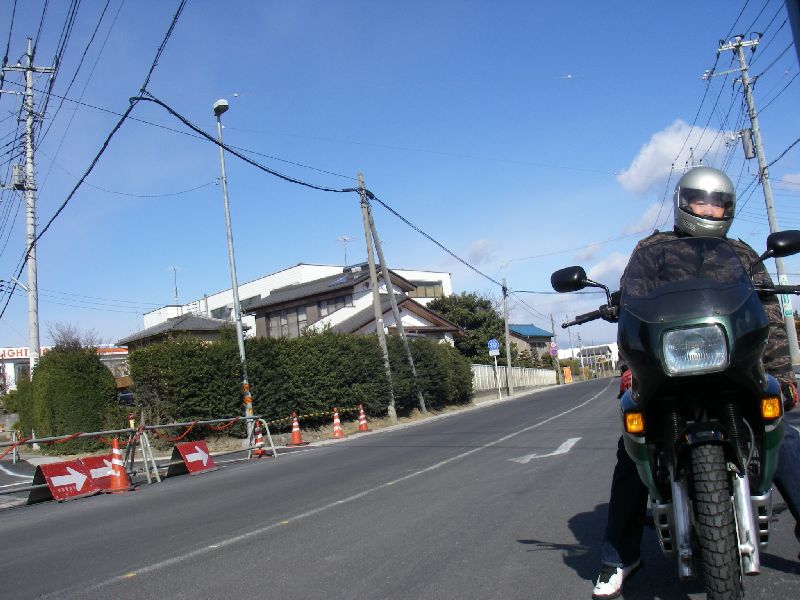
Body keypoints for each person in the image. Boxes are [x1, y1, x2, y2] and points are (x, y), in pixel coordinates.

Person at [592, 166, 800, 599]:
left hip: (734, 365)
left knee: (782, 433)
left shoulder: (742, 255)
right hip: (667, 369)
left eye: (717, 202)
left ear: (728, 209)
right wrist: (631, 369)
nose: (708, 209)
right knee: (632, 448)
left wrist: (782, 377)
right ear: (683, 202)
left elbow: (767, 318)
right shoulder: (652, 252)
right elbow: (631, 312)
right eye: (699, 200)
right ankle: (619, 556)